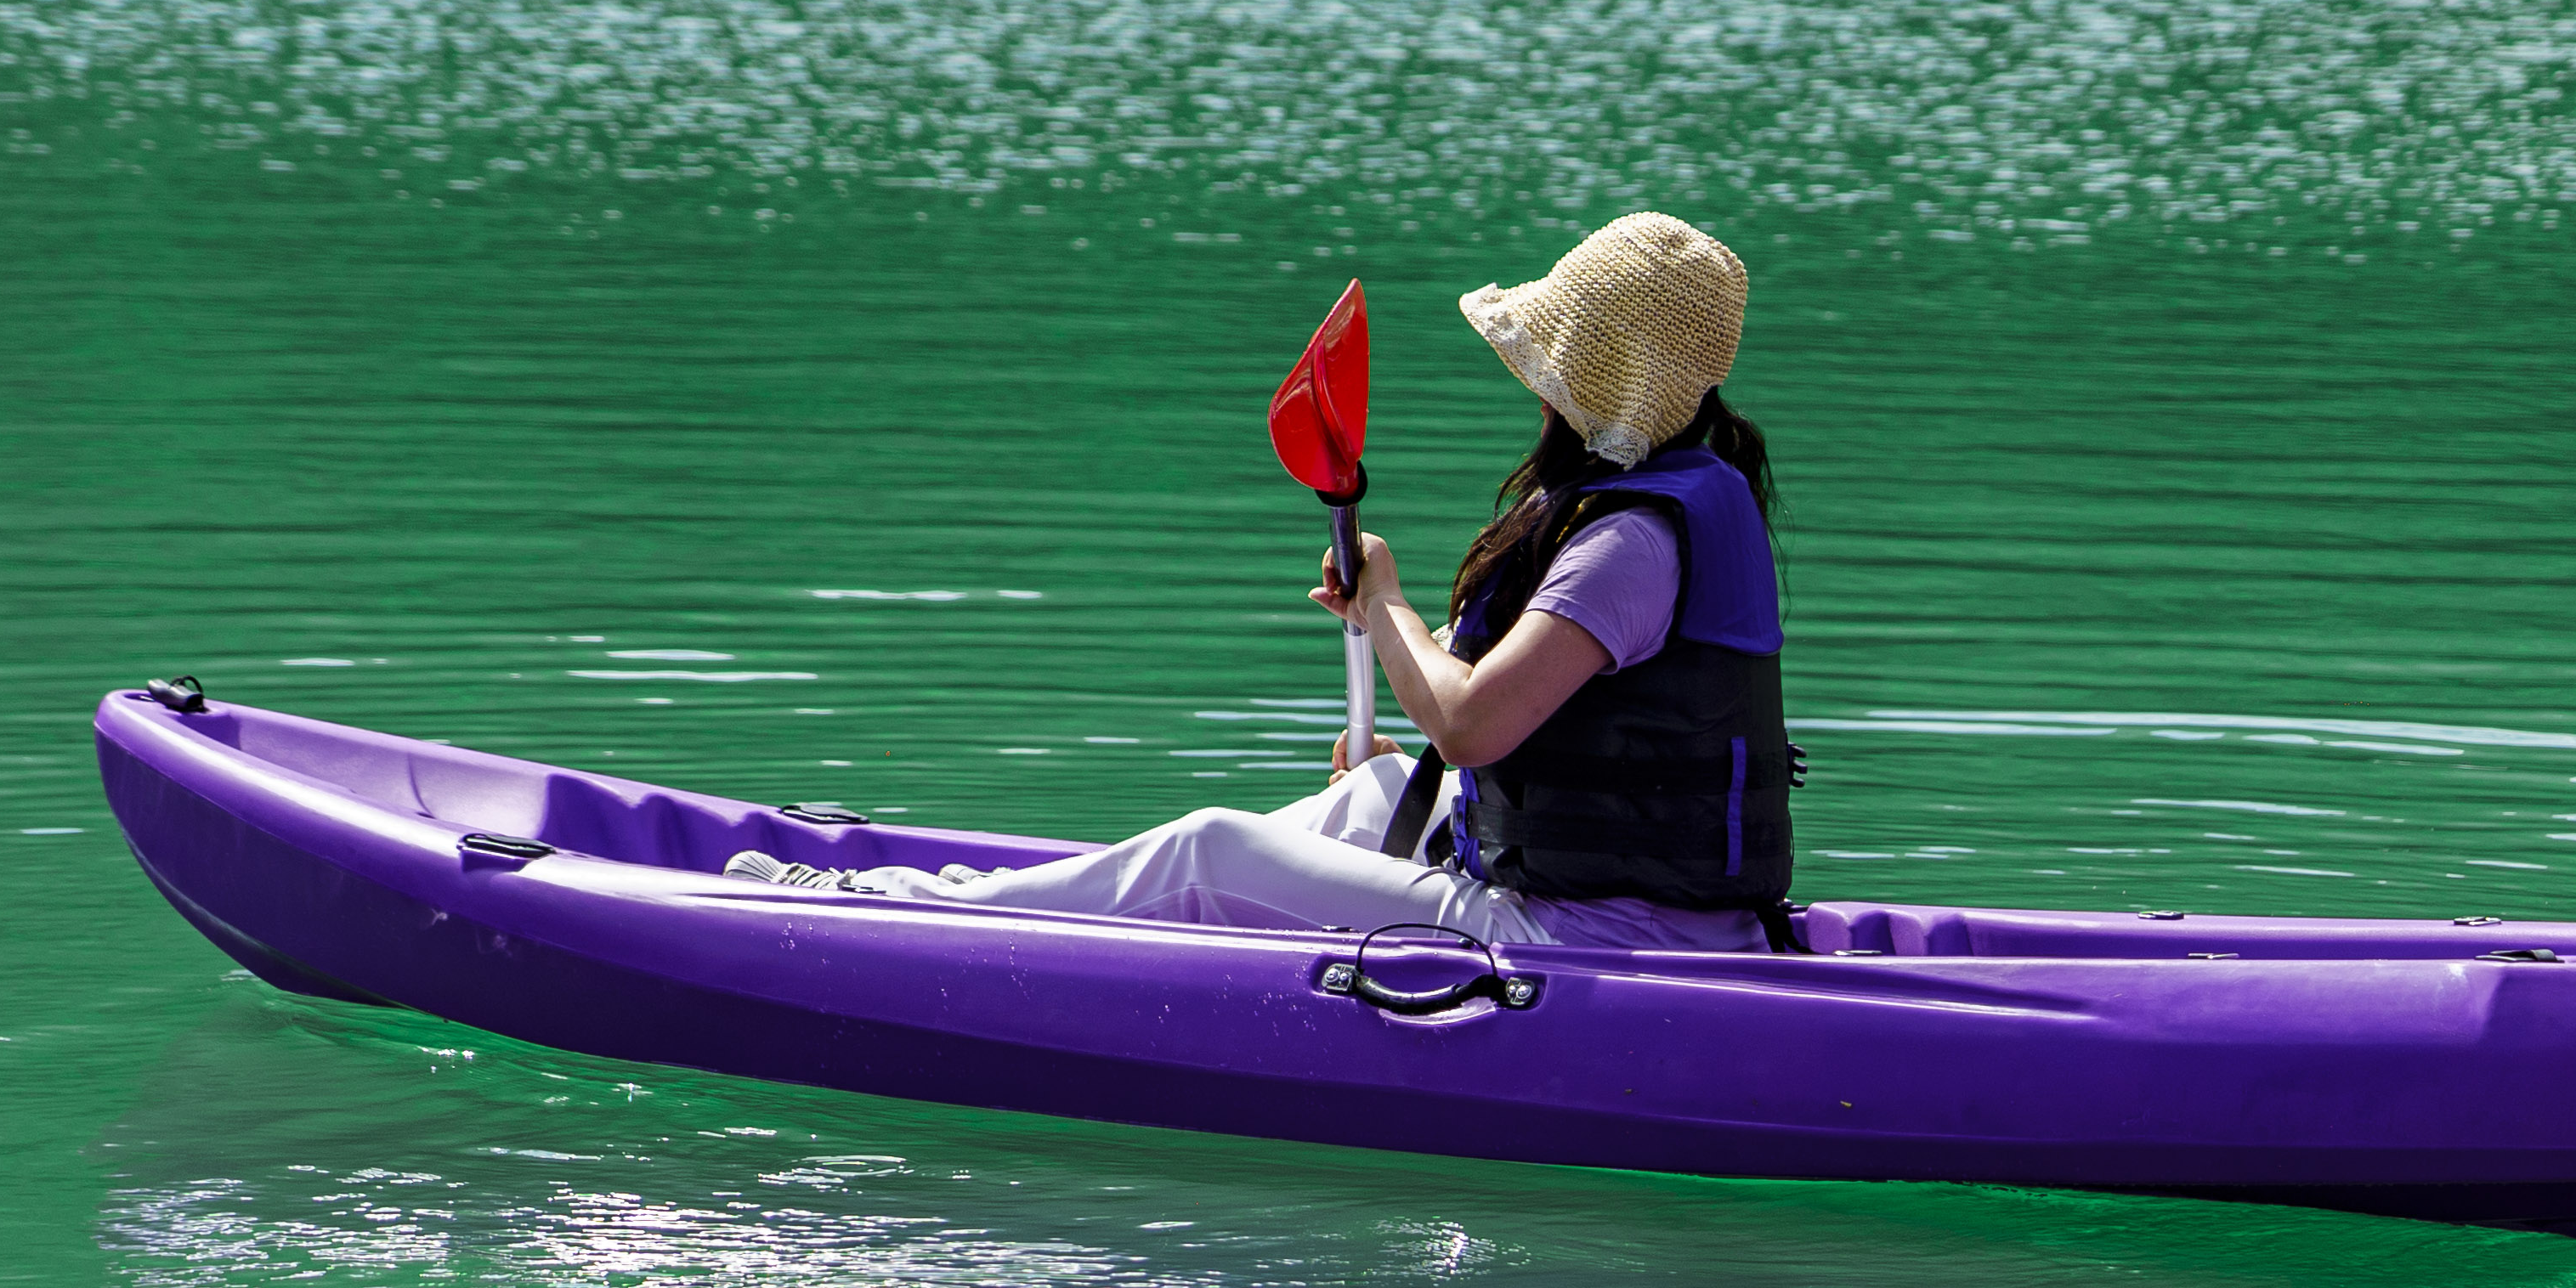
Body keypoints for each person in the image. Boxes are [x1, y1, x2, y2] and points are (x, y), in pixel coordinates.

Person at [726, 211, 1798, 952]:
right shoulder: (1657, 500)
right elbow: (1500, 737)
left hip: (1602, 938)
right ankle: (948, 899)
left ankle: (897, 918)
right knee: (1378, 786)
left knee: (1210, 848)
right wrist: (1407, 742)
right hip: (1601, 901)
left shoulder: (1634, 540)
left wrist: (1382, 602)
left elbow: (1472, 724)